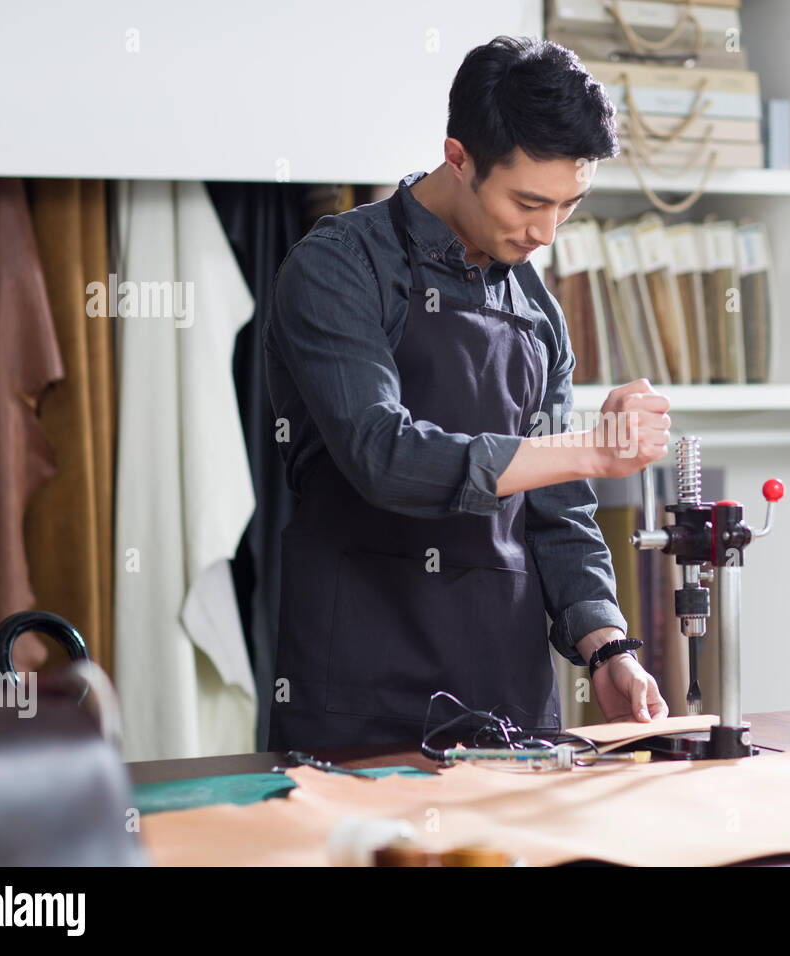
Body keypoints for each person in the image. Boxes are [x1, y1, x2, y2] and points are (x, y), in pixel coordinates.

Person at [262, 35, 671, 750]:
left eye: (569, 206)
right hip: (360, 696)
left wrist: (609, 647)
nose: (545, 232)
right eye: (528, 202)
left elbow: (558, 512)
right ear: (459, 158)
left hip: (510, 699)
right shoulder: (338, 267)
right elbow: (384, 456)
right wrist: (588, 449)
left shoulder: (538, 311)